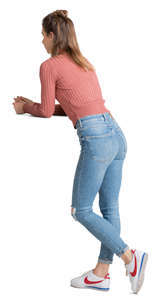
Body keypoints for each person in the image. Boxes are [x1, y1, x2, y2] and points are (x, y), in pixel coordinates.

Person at [12, 9, 148, 294]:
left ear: (52, 35)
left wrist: (26, 108)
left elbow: (47, 112)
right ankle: (101, 273)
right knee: (109, 208)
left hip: (96, 139)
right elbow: (77, 108)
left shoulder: (49, 66)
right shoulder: (84, 63)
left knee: (81, 210)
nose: (41, 41)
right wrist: (35, 105)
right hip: (115, 133)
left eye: (42, 35)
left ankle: (129, 256)